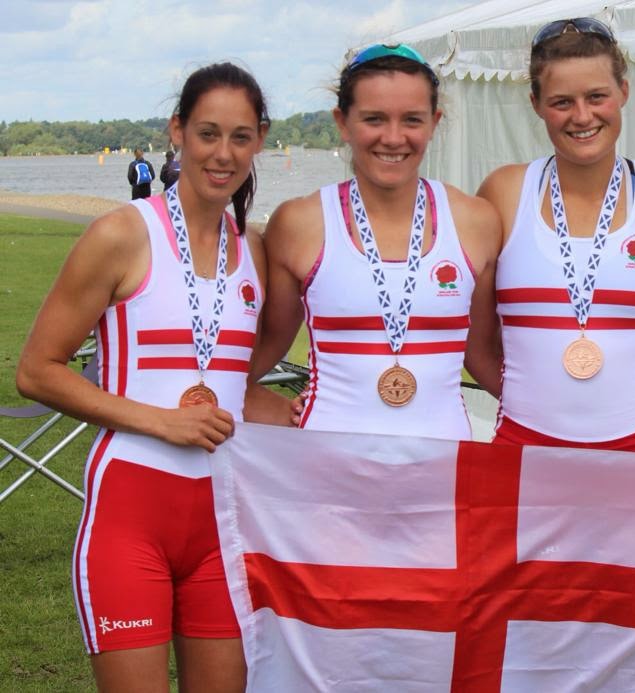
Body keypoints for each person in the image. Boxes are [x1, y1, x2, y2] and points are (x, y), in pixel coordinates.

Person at [16, 62, 269, 691]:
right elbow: (37, 371)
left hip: (225, 527)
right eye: (207, 133)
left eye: (240, 137)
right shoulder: (121, 234)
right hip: (130, 520)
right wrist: (162, 421)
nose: (223, 153)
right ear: (177, 131)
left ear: (259, 141)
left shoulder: (256, 251)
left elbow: (239, 381)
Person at [471, 18, 635, 452]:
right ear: (536, 104)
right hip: (526, 444)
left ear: (624, 91)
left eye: (597, 96)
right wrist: (535, 403)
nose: (582, 116)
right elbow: (475, 348)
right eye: (562, 102)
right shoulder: (504, 193)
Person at [244, 43, 500, 441]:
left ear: (434, 122)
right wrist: (257, 402)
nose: (393, 138)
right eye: (374, 119)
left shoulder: (476, 221)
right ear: (342, 122)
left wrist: (570, 424)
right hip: (326, 464)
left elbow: (483, 357)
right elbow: (261, 351)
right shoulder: (298, 224)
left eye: (412, 120)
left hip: (444, 465)